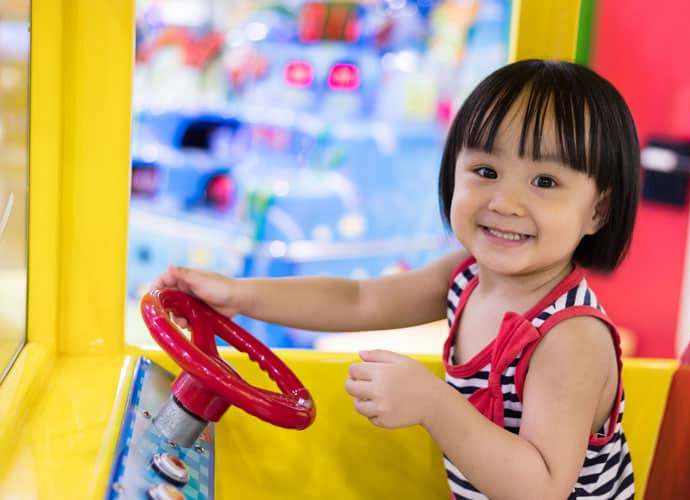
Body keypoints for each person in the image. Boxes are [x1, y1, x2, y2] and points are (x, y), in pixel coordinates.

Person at [154, 59, 640, 500]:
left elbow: (541, 488)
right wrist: (241, 294)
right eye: (486, 170)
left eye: (545, 182)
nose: (505, 202)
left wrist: (435, 404)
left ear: (597, 210)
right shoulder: (466, 277)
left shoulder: (569, 338)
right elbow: (358, 300)